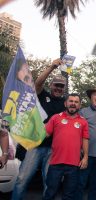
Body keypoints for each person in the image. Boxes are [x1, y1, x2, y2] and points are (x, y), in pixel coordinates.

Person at [12, 58, 66, 200]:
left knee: (50, 184)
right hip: (35, 145)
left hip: (54, 149)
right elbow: (38, 83)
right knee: (22, 180)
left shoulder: (66, 103)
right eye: (56, 85)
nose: (58, 88)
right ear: (51, 85)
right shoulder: (43, 95)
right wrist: (51, 67)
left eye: (61, 86)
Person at [43, 93, 89, 200]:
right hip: (55, 163)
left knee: (69, 195)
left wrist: (86, 157)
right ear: (65, 103)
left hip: (74, 165)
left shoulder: (83, 121)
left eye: (76, 102)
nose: (73, 104)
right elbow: (45, 134)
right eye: (71, 101)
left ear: (79, 105)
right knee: (50, 193)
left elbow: (85, 139)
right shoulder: (55, 118)